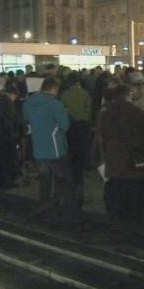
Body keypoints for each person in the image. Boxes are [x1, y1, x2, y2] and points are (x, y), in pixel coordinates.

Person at [98, 85, 144, 224]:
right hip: (133, 162)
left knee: (116, 197)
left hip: (113, 162)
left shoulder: (105, 112)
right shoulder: (134, 111)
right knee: (135, 202)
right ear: (128, 95)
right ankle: (134, 232)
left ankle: (116, 225)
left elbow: (101, 135)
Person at [23, 78, 75, 220]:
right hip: (56, 149)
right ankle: (58, 208)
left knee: (45, 180)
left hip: (38, 148)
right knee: (61, 180)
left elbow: (26, 121)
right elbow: (65, 126)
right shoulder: (55, 104)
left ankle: (43, 206)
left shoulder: (27, 103)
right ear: (54, 89)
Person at [60, 72, 92, 207]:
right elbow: (89, 111)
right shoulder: (85, 93)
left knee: (70, 163)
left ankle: (69, 196)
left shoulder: (65, 94)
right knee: (79, 165)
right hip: (83, 127)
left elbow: (62, 110)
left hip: (69, 128)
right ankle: (80, 196)